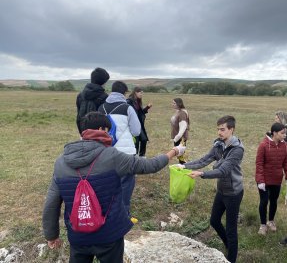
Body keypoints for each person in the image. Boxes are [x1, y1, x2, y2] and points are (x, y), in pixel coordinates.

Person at [42, 112, 185, 263]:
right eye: (109, 130)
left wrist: (51, 235)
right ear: (101, 129)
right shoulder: (112, 156)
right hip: (110, 234)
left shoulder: (60, 162)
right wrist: (174, 152)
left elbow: (51, 203)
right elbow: (150, 166)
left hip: (78, 234)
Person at [181, 115, 243, 263]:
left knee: (231, 229)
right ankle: (229, 245)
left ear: (231, 129)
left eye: (222, 129)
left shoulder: (237, 150)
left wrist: (202, 174)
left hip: (234, 193)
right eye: (218, 129)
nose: (219, 133)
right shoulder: (218, 145)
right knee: (214, 221)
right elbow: (204, 159)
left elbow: (223, 171)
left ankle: (231, 258)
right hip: (222, 191)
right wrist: (184, 165)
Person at [98, 81, 141, 215]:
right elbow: (136, 131)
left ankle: (107, 212)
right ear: (124, 93)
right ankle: (123, 214)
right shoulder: (127, 108)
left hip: (105, 151)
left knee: (108, 182)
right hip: (126, 152)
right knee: (126, 183)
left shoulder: (101, 108)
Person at [255, 122, 287, 235]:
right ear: (274, 133)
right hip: (264, 181)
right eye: (282, 133)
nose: (285, 135)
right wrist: (260, 180)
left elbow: (286, 164)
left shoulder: (285, 146)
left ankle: (270, 221)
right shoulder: (263, 145)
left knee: (274, 201)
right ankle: (262, 225)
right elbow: (259, 164)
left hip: (276, 180)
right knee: (264, 201)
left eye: (285, 133)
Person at [76, 67, 110, 134]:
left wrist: (81, 132)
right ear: (103, 82)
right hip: (99, 133)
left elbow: (78, 116)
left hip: (83, 131)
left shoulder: (80, 95)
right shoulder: (105, 97)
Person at [127, 86, 152, 157]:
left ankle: (142, 156)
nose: (141, 94)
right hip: (133, 124)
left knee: (144, 140)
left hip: (139, 124)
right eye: (140, 93)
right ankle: (135, 157)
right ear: (135, 92)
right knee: (136, 142)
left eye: (142, 93)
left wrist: (147, 107)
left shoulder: (138, 101)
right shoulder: (129, 101)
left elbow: (140, 113)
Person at [171, 98, 190, 164]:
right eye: (172, 103)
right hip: (178, 137)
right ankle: (182, 166)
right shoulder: (178, 111)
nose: (172, 104)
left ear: (179, 104)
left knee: (181, 154)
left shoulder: (182, 113)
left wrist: (176, 138)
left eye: (174, 103)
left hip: (181, 138)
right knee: (180, 154)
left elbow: (183, 128)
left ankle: (184, 167)